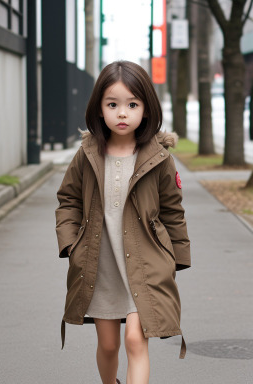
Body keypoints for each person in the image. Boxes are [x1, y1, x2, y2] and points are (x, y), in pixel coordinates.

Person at [55, 60, 191, 384]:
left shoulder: (158, 156)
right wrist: (71, 245)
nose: (122, 113)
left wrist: (176, 259)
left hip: (145, 262)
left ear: (146, 108)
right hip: (99, 264)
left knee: (134, 339)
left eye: (132, 104)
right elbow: (68, 200)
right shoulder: (87, 154)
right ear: (99, 108)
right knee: (108, 344)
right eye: (112, 104)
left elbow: (173, 210)